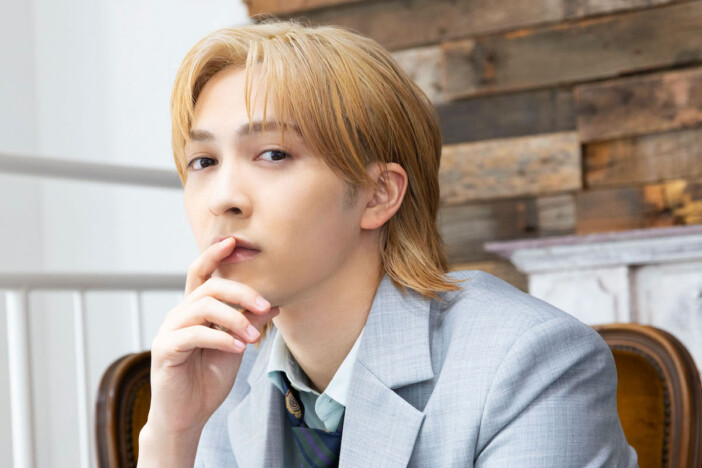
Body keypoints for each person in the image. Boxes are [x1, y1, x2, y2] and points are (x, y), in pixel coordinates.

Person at [137, 19, 639, 467]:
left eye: (272, 154)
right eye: (203, 161)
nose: (223, 199)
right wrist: (172, 435)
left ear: (378, 194)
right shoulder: (222, 371)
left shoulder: (527, 362)